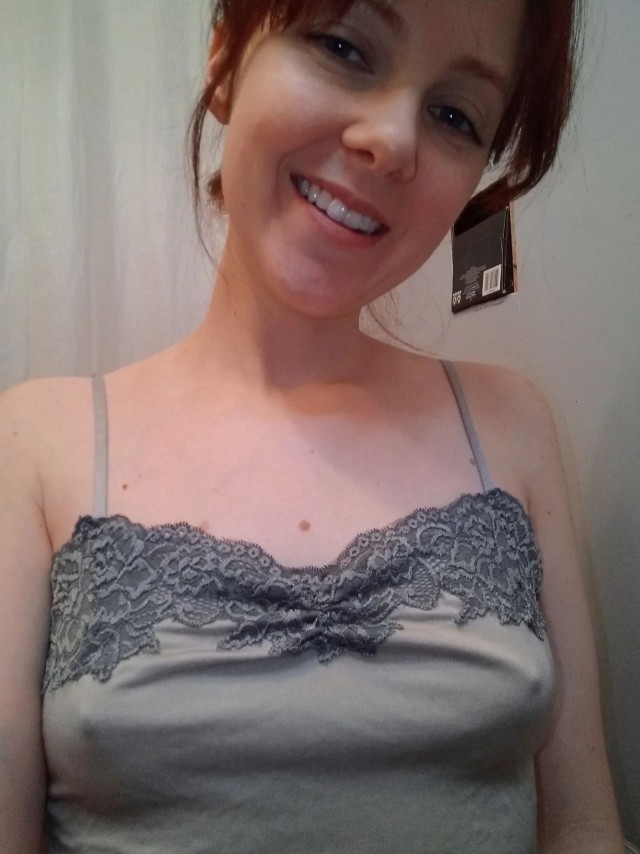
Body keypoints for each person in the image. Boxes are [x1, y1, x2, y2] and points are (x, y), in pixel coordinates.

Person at [0, 0, 626, 851]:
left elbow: (584, 827)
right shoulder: (37, 442)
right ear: (226, 58)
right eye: (343, 47)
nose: (392, 141)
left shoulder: (514, 425)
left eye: (455, 115)